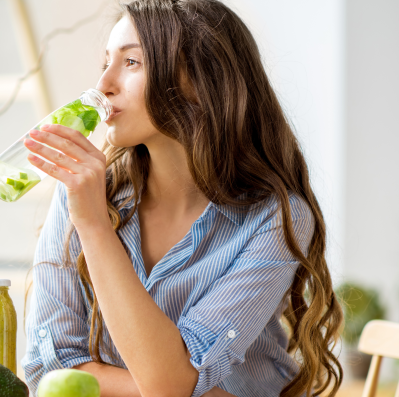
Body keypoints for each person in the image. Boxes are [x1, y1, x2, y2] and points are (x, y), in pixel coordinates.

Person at [20, 0, 343, 396]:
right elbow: (47, 369)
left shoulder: (276, 217)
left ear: (198, 80)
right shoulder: (87, 191)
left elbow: (167, 383)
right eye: (106, 62)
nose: (102, 84)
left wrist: (93, 226)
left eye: (132, 63)